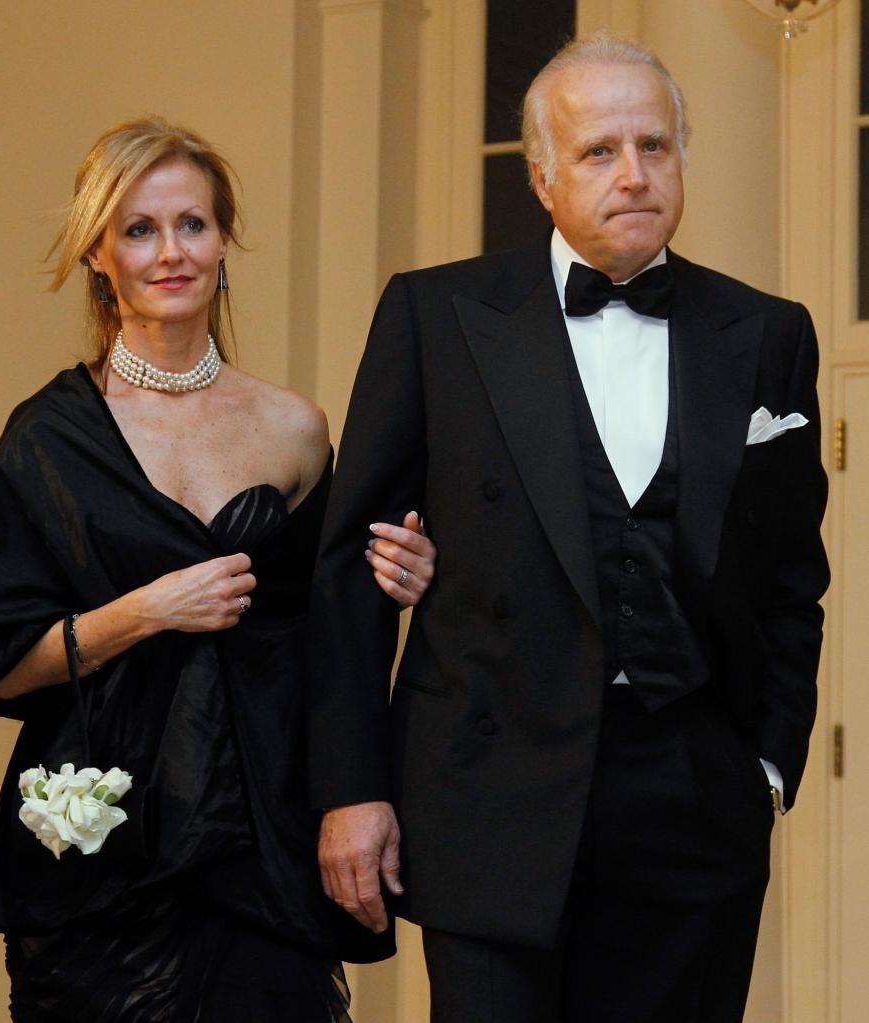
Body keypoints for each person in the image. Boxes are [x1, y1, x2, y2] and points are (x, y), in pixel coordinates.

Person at [308, 35, 829, 1023]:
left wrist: (762, 767)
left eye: (655, 146)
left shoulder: (767, 333)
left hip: (690, 801)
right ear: (541, 179)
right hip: (486, 790)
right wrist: (349, 789)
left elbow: (791, 583)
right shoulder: (437, 315)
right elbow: (349, 573)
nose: (633, 174)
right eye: (597, 152)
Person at [0, 116, 437, 1023]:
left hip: (262, 839)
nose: (170, 251)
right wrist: (144, 610)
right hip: (108, 858)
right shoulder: (46, 438)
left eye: (192, 225)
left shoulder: (295, 428)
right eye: (139, 229)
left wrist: (403, 571)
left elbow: (328, 632)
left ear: (222, 241)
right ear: (98, 254)